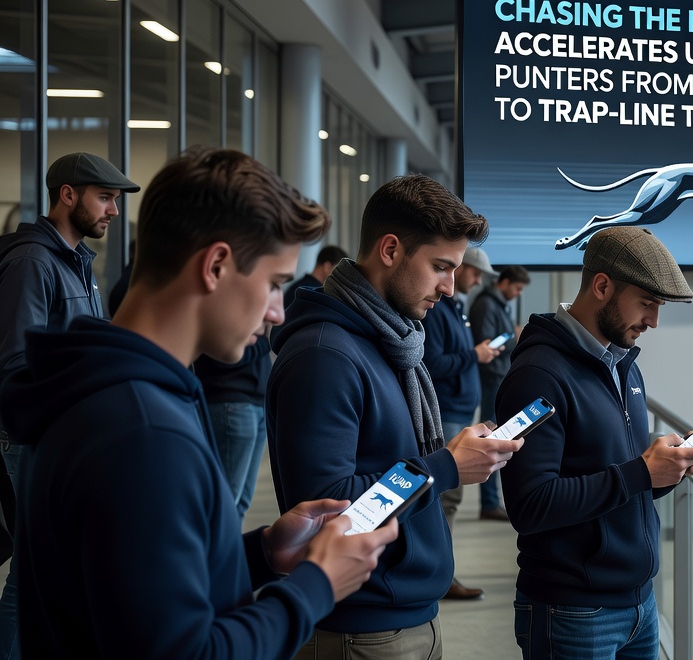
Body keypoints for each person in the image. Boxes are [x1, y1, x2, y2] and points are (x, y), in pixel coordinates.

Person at [0, 147, 397, 658]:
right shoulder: (145, 432)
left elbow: (129, 596)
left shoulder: (100, 390)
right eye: (275, 285)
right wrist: (317, 585)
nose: (278, 312)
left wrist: (257, 554)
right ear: (215, 265)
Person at [267, 174, 522, 658]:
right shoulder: (325, 356)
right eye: (440, 267)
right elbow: (330, 512)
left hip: (407, 613)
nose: (449, 288)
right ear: (390, 250)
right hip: (362, 629)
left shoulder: (394, 342)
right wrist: (445, 466)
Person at [496, 226, 693, 660]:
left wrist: (666, 470)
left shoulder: (624, 366)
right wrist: (640, 472)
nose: (653, 321)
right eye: (648, 304)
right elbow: (530, 505)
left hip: (639, 603)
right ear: (602, 286)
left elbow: (619, 479)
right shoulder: (537, 376)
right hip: (573, 609)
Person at [0, 151, 139, 658]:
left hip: (65, 434)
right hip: (35, 438)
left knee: (50, 570)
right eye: (105, 198)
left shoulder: (77, 263)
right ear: (67, 195)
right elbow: (17, 362)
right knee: (33, 573)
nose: (114, 211)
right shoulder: (33, 262)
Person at [422, 245, 503, 600]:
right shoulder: (437, 311)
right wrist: (475, 354)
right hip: (447, 410)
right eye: (470, 272)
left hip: (458, 409)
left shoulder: (455, 308)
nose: (467, 281)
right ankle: (441, 576)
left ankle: (441, 573)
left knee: (448, 499)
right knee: (446, 498)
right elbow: (434, 363)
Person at [469, 263, 531, 520]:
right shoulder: (486, 304)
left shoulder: (496, 304)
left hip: (498, 377)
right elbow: (487, 342)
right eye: (516, 288)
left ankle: (492, 501)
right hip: (491, 378)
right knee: (492, 437)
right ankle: (489, 502)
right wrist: (512, 337)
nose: (517, 294)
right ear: (503, 282)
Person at [193, 333, 273, 519]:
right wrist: (263, 342)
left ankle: (230, 548)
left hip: (256, 403)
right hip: (232, 403)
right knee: (226, 504)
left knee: (241, 503)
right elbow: (230, 356)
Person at [283, 244, 348, 309]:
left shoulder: (299, 287)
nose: (342, 277)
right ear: (327, 267)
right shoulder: (316, 294)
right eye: (339, 271)